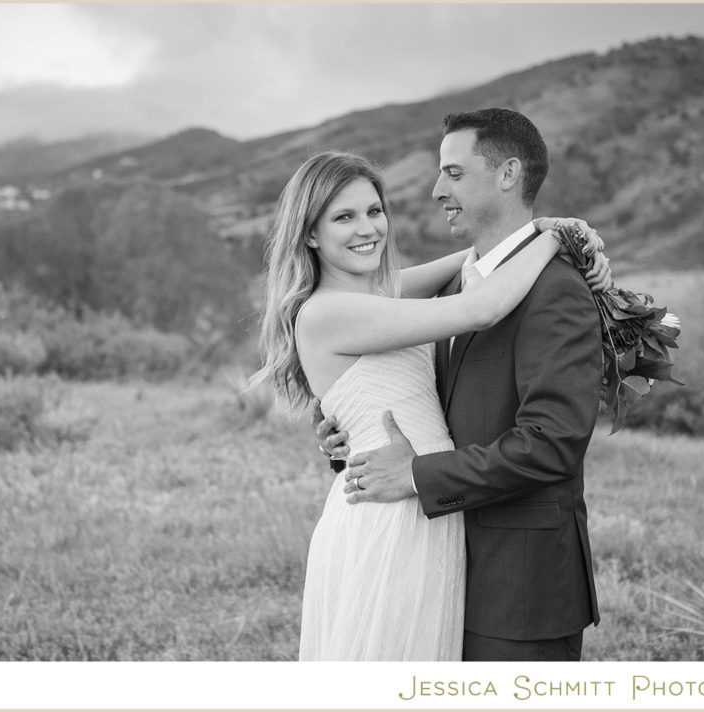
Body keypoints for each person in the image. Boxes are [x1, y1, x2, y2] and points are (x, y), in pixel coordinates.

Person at [252, 146, 610, 660]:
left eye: (374, 211)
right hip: (392, 518)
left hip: (428, 509)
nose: (367, 229)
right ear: (310, 233)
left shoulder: (384, 292)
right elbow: (481, 306)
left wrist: (548, 227)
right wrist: (557, 236)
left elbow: (477, 263)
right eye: (344, 217)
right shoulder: (328, 313)